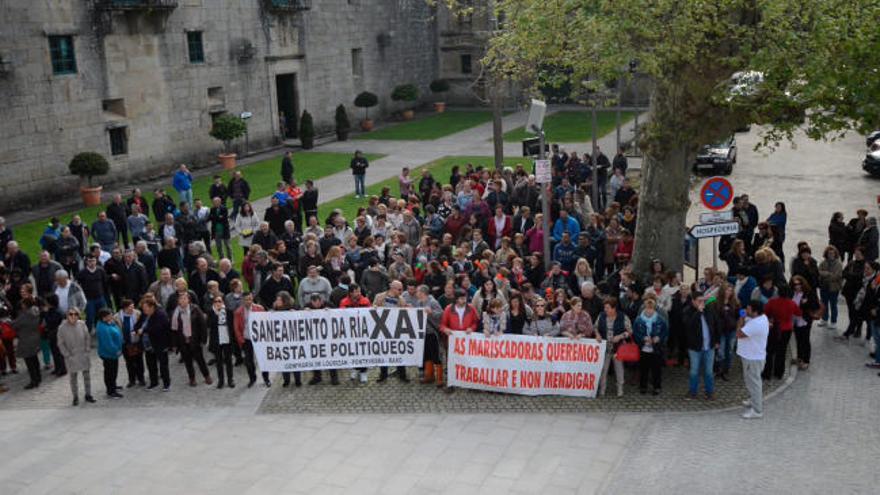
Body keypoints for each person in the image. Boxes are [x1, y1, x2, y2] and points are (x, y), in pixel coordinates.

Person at [439, 289, 479, 393]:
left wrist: (472, 328)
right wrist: (446, 330)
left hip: (467, 341)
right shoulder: (448, 309)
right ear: (456, 299)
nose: (464, 300)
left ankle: (471, 383)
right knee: (452, 362)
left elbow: (476, 322)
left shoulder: (471, 309)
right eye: (461, 298)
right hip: (453, 342)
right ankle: (451, 383)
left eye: (465, 298)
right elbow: (442, 325)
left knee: (469, 361)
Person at [170, 292, 212, 387]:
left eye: (185, 298)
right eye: (181, 299)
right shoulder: (176, 312)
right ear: (178, 301)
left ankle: (207, 376)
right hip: (183, 341)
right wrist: (174, 344)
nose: (183, 300)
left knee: (200, 360)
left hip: (195, 340)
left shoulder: (195, 309)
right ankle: (192, 378)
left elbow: (203, 325)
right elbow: (174, 330)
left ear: (188, 300)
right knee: (187, 361)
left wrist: (203, 340)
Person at [685, 292, 720, 400]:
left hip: (709, 346)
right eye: (699, 301)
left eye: (703, 300)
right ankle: (692, 392)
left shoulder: (709, 310)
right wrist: (698, 312)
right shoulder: (688, 311)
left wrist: (717, 340)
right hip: (695, 347)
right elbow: (689, 325)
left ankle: (710, 392)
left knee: (709, 371)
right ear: (693, 301)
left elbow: (717, 325)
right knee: (694, 371)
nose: (702, 303)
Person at [738, 300, 769, 419]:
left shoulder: (756, 324)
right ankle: (753, 400)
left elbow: (739, 333)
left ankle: (757, 410)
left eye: (749, 309)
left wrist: (741, 318)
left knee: (754, 383)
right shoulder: (759, 318)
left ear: (755, 312)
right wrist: (745, 317)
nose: (746, 310)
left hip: (753, 358)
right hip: (750, 356)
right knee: (750, 381)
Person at [763, 284, 801, 380]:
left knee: (770, 351)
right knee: (782, 351)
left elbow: (765, 312)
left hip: (775, 328)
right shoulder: (791, 303)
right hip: (787, 329)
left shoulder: (772, 302)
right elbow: (799, 313)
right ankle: (779, 372)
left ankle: (767, 373)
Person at [57, 308, 95, 405]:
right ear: (67, 315)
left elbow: (87, 337)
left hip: (83, 354)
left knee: (87, 376)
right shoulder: (62, 328)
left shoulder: (82, 324)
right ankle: (75, 397)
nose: (73, 316)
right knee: (73, 378)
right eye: (71, 314)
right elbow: (60, 344)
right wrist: (67, 355)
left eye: (76, 314)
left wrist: (87, 350)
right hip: (72, 356)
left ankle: (88, 394)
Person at [595, 298, 631, 397]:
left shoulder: (623, 317)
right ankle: (602, 389)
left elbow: (630, 331)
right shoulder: (601, 315)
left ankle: (620, 389)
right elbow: (595, 327)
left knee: (619, 369)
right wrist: (597, 334)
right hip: (605, 348)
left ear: (614, 308)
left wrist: (620, 336)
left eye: (607, 308)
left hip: (618, 348)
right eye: (605, 307)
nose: (605, 310)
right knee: (603, 370)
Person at [633, 298, 668, 395]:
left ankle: (657, 387)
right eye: (648, 308)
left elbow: (665, 332)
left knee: (656, 369)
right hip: (643, 348)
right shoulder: (639, 320)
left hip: (656, 348)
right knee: (643, 369)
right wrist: (643, 338)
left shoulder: (660, 320)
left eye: (651, 309)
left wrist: (659, 338)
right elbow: (635, 333)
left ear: (654, 309)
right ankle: (643, 386)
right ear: (644, 308)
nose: (649, 311)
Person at [234, 292, 270, 387]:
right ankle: (252, 378)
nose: (248, 301)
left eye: (250, 299)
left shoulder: (259, 308)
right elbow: (236, 328)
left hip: (259, 339)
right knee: (249, 362)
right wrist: (241, 340)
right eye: (246, 299)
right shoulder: (238, 312)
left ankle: (266, 378)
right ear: (242, 300)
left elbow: (265, 323)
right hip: (247, 339)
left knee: (263, 360)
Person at [137, 297, 172, 391]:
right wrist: (136, 329)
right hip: (148, 344)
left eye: (145, 308)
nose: (143, 311)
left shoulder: (160, 314)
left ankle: (166, 384)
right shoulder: (145, 315)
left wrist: (144, 330)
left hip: (160, 343)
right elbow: (138, 324)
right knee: (151, 365)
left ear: (152, 307)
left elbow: (159, 328)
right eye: (143, 309)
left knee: (163, 365)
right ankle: (154, 382)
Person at [207, 295, 235, 388]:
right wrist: (217, 314)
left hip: (227, 339)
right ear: (214, 303)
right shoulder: (211, 312)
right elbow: (210, 325)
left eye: (220, 301)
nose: (218, 303)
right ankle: (221, 380)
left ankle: (230, 379)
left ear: (223, 302)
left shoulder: (228, 312)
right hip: (217, 341)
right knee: (218, 362)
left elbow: (232, 326)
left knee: (228, 361)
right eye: (216, 301)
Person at [96, 308, 124, 399]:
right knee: (110, 372)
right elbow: (108, 344)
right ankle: (111, 391)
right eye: (110, 315)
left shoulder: (108, 323)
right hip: (109, 354)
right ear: (104, 317)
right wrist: (117, 351)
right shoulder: (102, 328)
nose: (112, 316)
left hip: (113, 354)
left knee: (113, 371)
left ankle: (113, 386)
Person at [116, 299, 145, 387]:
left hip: (136, 341)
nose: (132, 309)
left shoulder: (137, 313)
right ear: (125, 308)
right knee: (129, 362)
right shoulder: (117, 317)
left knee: (139, 361)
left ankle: (141, 378)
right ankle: (131, 379)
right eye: (130, 307)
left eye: (133, 306)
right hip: (125, 343)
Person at [15, 298, 42, 389]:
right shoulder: (36, 310)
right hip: (35, 337)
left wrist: (7, 321)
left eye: (23, 304)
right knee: (35, 359)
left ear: (26, 305)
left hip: (26, 339)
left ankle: (34, 381)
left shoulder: (25, 314)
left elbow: (15, 324)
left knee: (29, 362)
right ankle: (38, 377)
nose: (22, 306)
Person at [818, 245, 843, 329]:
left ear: (835, 254)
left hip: (834, 288)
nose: (831, 255)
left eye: (832, 253)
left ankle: (833, 321)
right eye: (829, 253)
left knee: (833, 305)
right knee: (824, 304)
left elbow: (837, 276)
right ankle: (824, 319)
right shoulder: (823, 262)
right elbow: (819, 272)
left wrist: (825, 274)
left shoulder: (838, 264)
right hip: (824, 287)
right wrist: (828, 274)